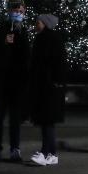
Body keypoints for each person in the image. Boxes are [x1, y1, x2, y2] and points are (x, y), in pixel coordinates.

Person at [0, 0, 31, 162]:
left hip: (16, 82)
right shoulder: (2, 27)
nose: (18, 13)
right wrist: (5, 41)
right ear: (9, 11)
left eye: (20, 11)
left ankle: (15, 149)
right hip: (2, 80)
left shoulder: (24, 31)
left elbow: (27, 55)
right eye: (15, 10)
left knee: (15, 119)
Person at [28, 13, 67, 166]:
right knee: (47, 121)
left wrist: (56, 81)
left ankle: (45, 153)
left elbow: (58, 62)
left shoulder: (50, 39)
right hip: (46, 85)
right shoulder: (45, 38)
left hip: (48, 87)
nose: (36, 24)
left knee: (47, 120)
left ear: (45, 23)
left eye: (38, 22)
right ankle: (52, 154)